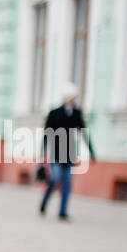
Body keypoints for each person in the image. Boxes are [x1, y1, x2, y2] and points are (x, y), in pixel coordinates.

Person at [39, 81, 95, 221]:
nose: (74, 99)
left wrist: (91, 151)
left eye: (75, 97)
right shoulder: (54, 113)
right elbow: (46, 135)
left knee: (68, 184)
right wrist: (42, 155)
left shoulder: (76, 113)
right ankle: (45, 200)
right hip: (56, 154)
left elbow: (83, 132)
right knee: (56, 179)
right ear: (67, 97)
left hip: (70, 155)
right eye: (72, 97)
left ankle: (62, 212)